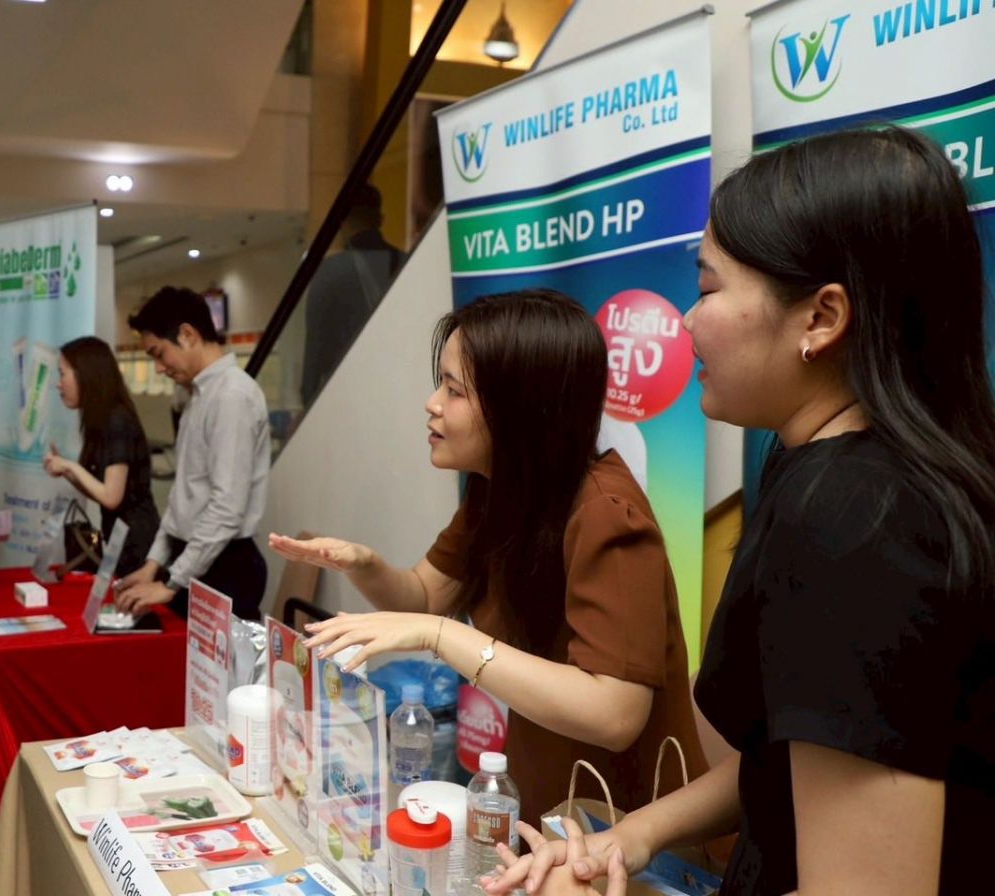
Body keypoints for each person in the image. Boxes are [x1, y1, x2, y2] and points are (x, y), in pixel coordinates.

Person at [484, 127, 995, 895]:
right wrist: (631, 836)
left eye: (710, 289)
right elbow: (802, 757)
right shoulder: (822, 470)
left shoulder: (857, 525)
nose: (687, 323)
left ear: (821, 319)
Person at [281, 289, 707, 828]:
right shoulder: (498, 488)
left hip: (624, 829)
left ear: (521, 407)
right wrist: (363, 564)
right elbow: (425, 596)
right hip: (545, 809)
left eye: (454, 390)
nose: (432, 403)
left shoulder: (607, 515)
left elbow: (615, 714)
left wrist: (440, 636)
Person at [116, 286, 270, 620]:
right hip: (194, 559)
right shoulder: (197, 395)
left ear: (187, 335)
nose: (159, 368)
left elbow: (227, 508)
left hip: (224, 565)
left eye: (159, 354)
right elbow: (183, 495)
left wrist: (173, 581)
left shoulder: (232, 396)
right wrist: (153, 564)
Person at [44, 335, 160, 573]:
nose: (58, 384)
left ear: (85, 375)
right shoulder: (101, 420)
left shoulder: (117, 421)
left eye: (62, 374)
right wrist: (66, 471)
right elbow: (100, 492)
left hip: (136, 541)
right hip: (119, 536)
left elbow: (111, 497)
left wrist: (69, 466)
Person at [301, 183, 406, 406]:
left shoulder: (329, 271)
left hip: (346, 398)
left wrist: (308, 401)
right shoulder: (406, 263)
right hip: (397, 392)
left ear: (342, 222)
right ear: (380, 219)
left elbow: (314, 358)